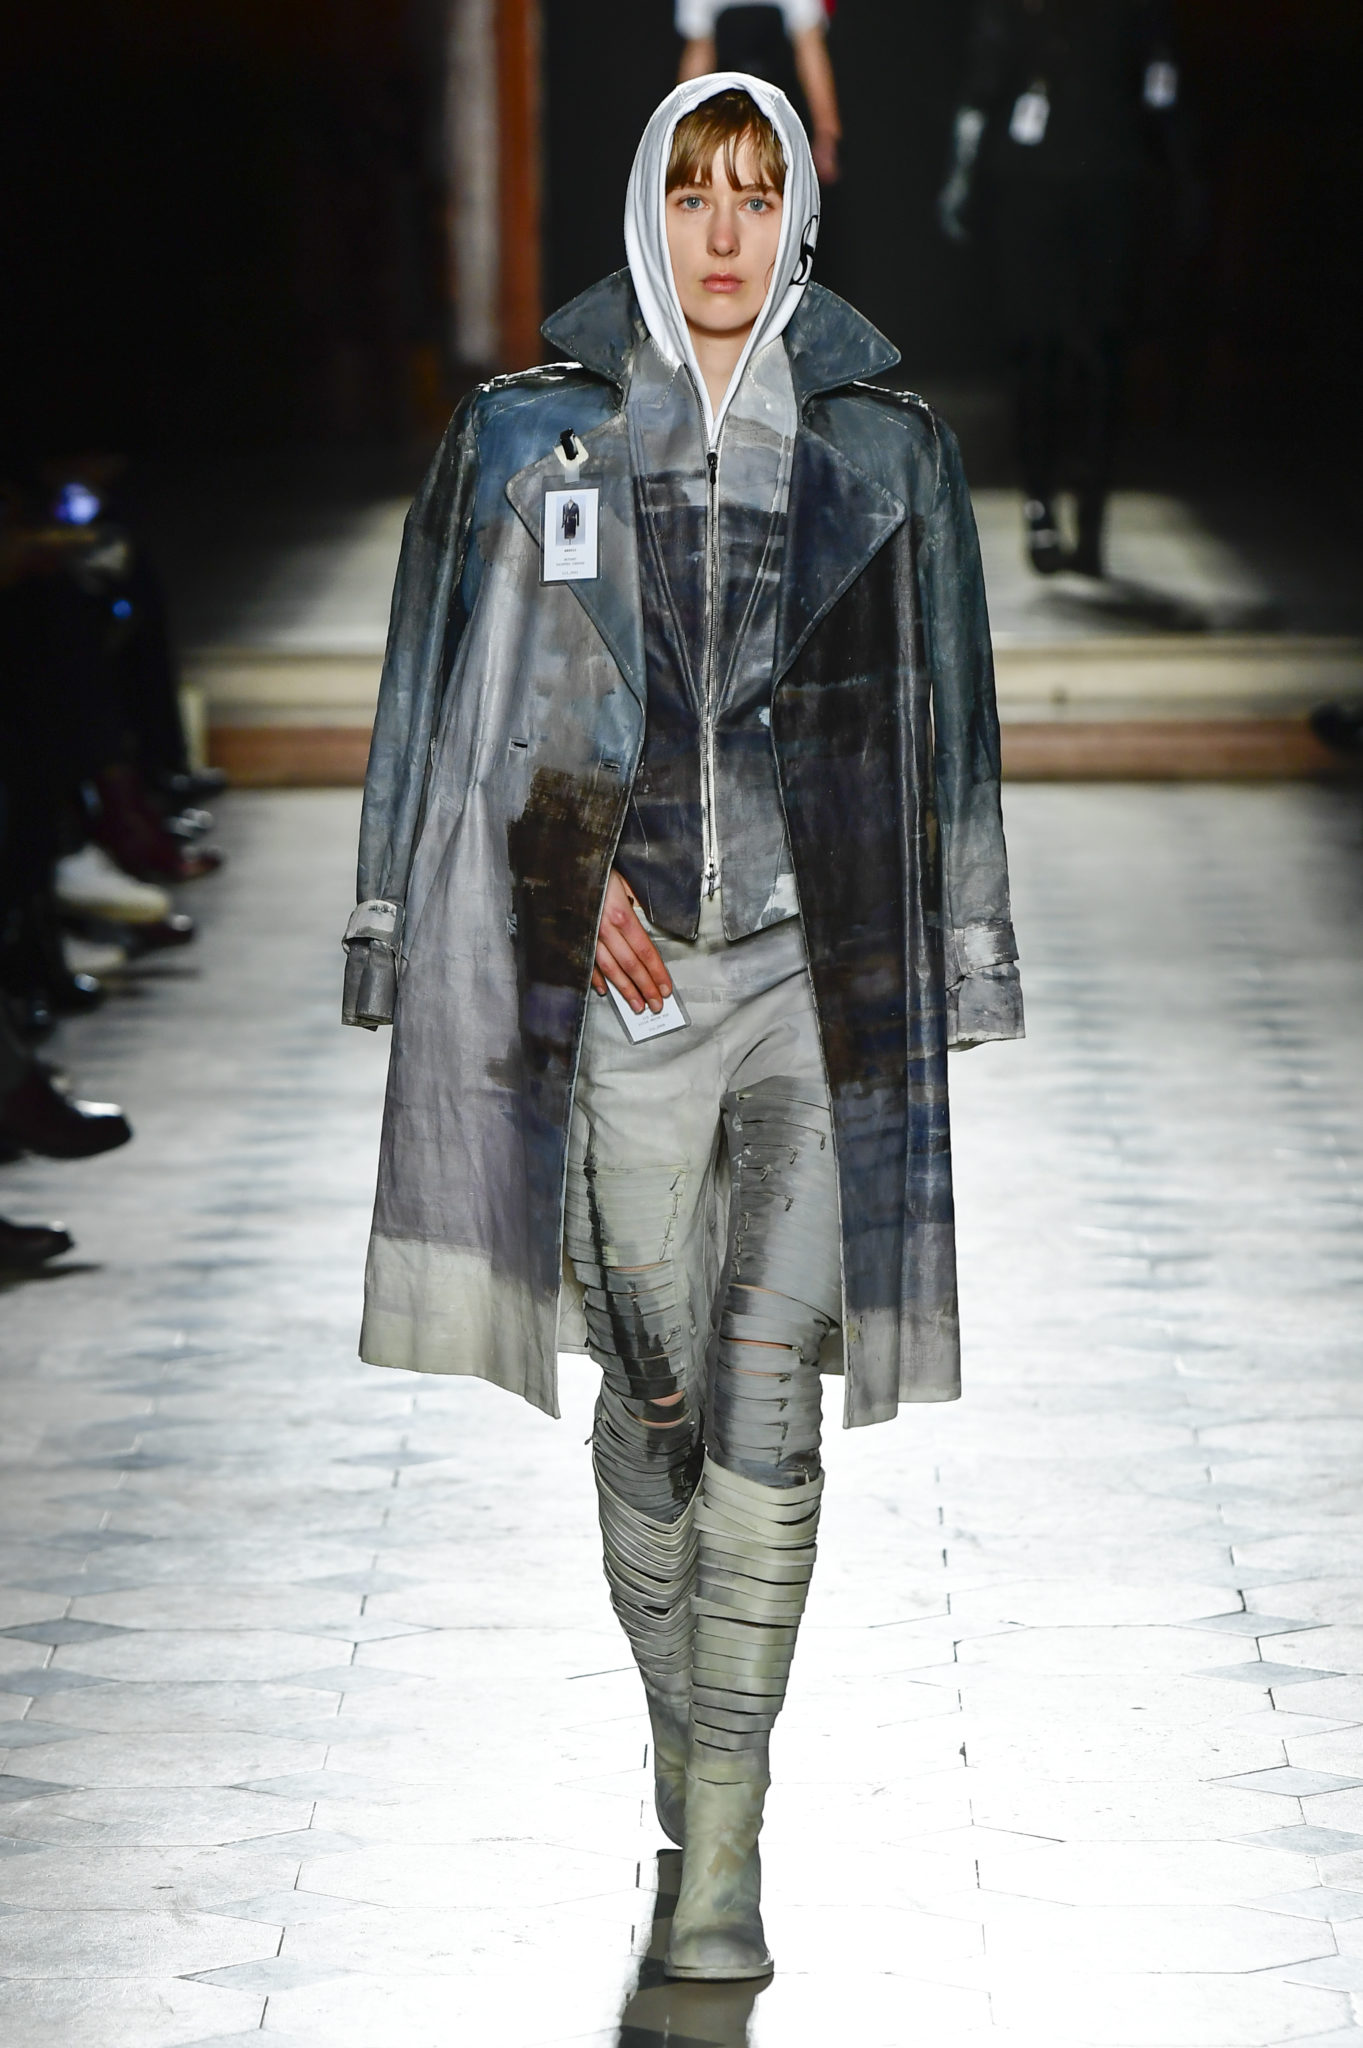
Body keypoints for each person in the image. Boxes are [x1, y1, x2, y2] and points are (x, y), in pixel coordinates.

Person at [344, 74, 1021, 1982]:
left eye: (755, 192)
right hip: (622, 996)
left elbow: (953, 706)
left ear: (796, 214)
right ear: (647, 207)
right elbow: (442, 693)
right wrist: (555, 878)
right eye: (692, 192)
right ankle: (690, 1758)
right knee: (651, 1408)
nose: (723, 233)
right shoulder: (526, 437)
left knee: (764, 1410)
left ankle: (720, 1847)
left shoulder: (886, 447)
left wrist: (961, 944)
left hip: (815, 974)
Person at [938, 0, 1185, 577]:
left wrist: (1181, 173)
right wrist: (962, 175)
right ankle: (1041, 503)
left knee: (1102, 351)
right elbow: (983, 84)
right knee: (1036, 346)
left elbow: (1160, 80)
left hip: (1107, 184)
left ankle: (1090, 511)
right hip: (1034, 187)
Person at [678, 1, 841, 185]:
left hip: (783, 113)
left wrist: (826, 135)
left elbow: (811, 52)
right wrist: (683, 132)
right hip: (727, 114)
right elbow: (699, 54)